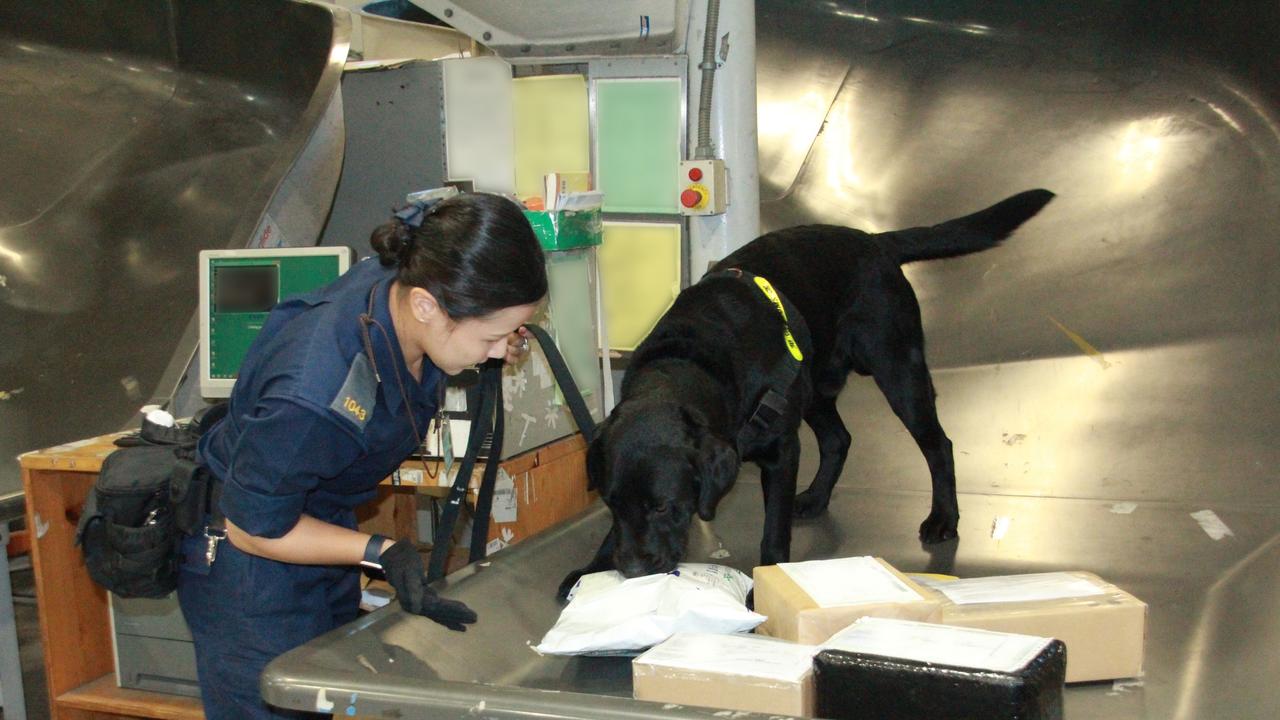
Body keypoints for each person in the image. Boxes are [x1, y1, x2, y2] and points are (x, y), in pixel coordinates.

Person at [177, 192, 548, 720]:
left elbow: (435, 350)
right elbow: (252, 528)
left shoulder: (402, 281)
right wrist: (381, 550)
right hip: (250, 562)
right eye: (491, 335)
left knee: (329, 695)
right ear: (426, 305)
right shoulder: (313, 395)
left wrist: (493, 339)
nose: (498, 351)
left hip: (314, 524)